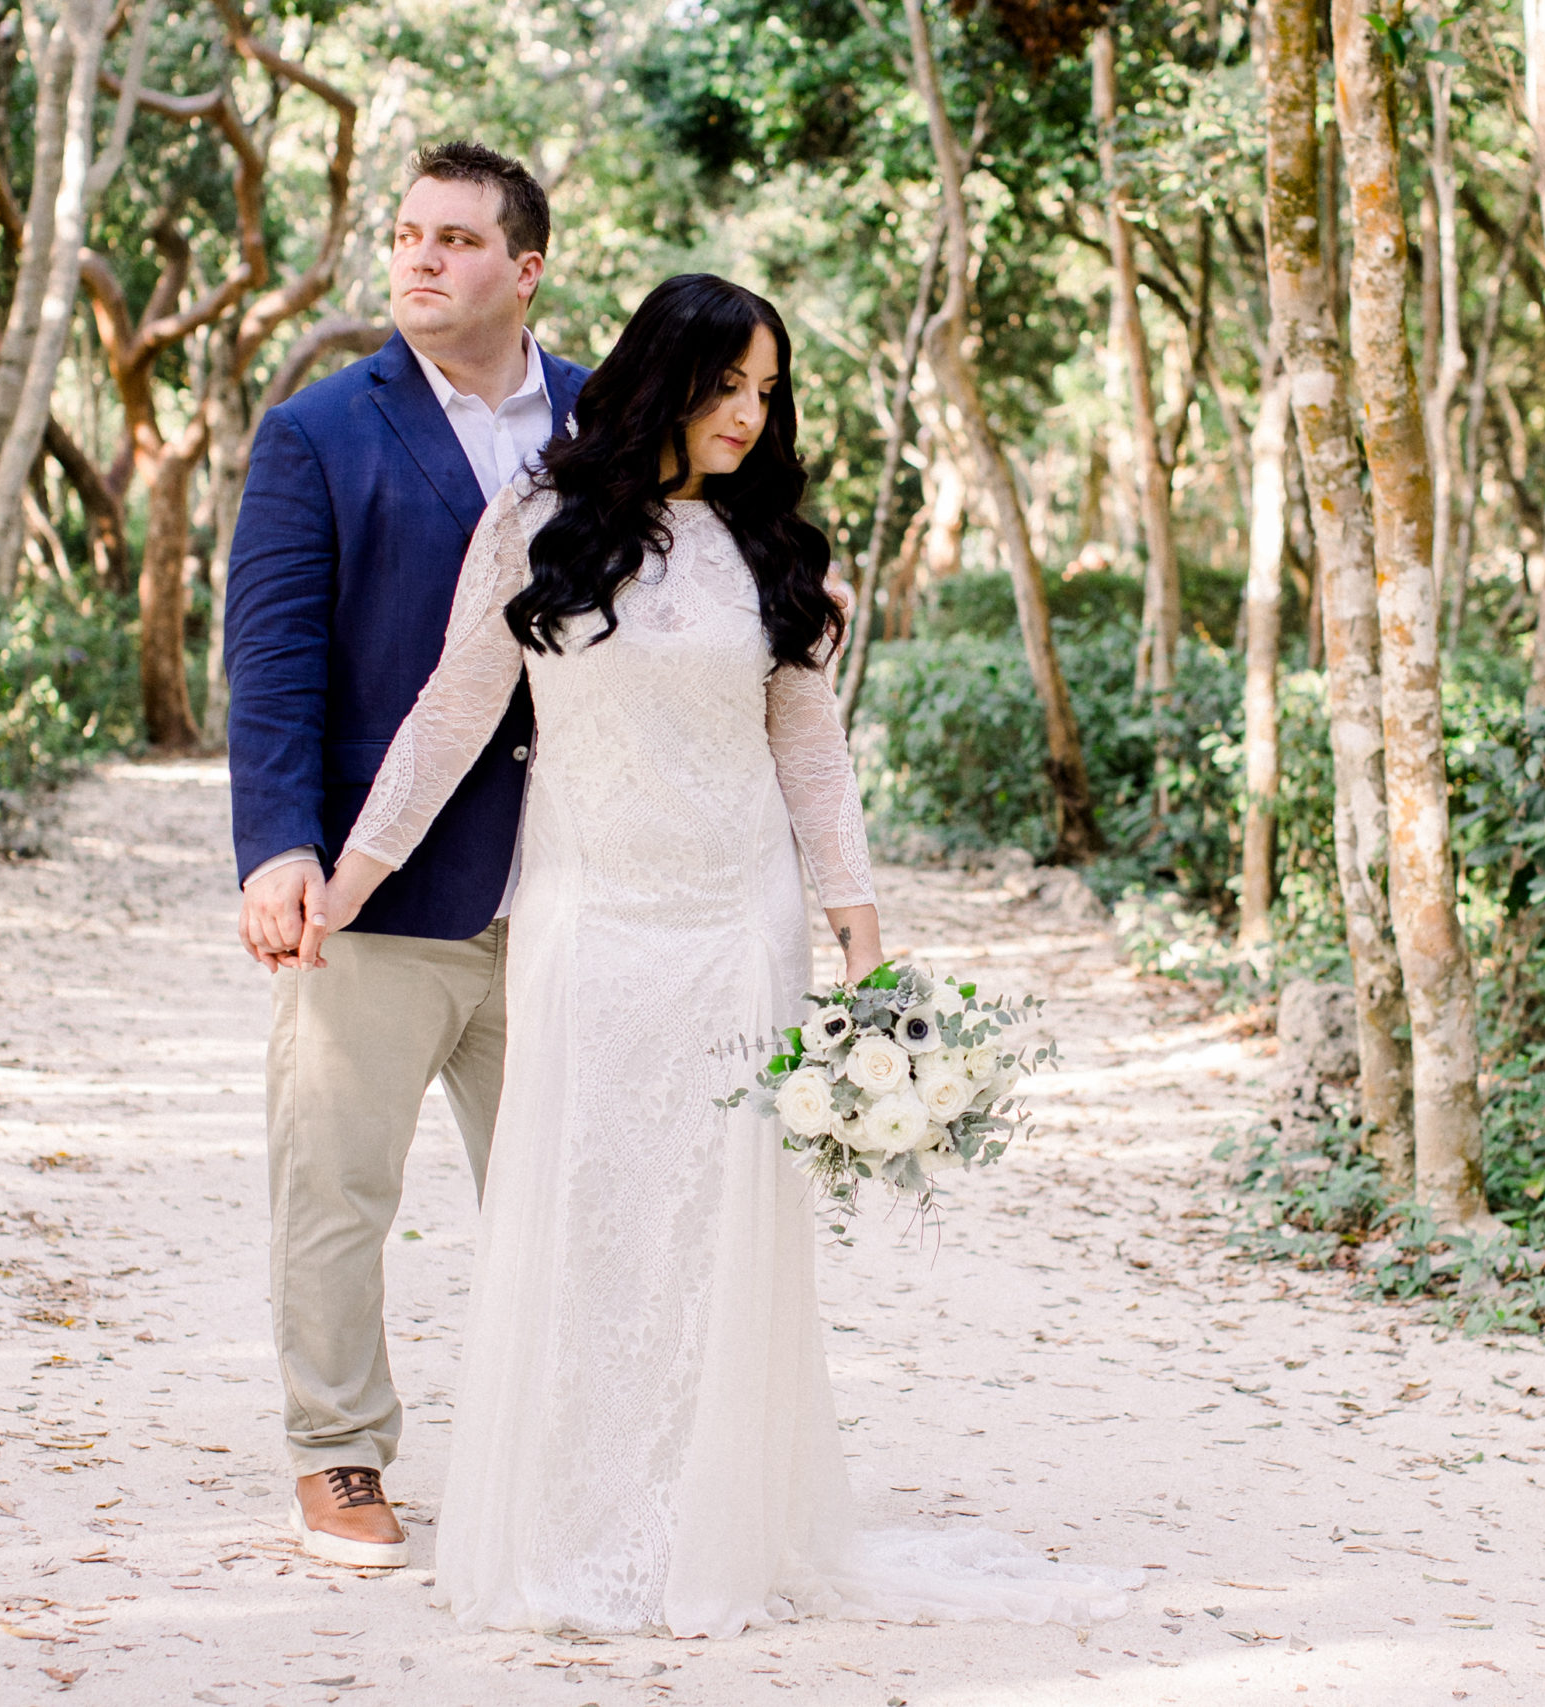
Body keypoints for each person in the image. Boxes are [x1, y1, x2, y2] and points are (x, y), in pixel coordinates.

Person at [310, 274, 1138, 1635]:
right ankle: (573, 1527)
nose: (752, 415)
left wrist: (859, 929)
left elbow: (807, 749)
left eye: (768, 391)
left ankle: (705, 1535)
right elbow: (456, 707)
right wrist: (352, 879)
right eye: (727, 386)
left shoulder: (772, 550)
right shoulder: (536, 521)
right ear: (658, 380)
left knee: (712, 1229)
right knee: (586, 1220)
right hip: (586, 918)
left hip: (731, 925)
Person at [224, 141, 589, 1570]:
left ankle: (563, 1442)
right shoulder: (319, 431)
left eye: (455, 238)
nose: (422, 259)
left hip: (566, 886)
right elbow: (273, 661)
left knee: (568, 1187)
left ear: (526, 266)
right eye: (407, 236)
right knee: (338, 1188)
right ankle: (339, 1456)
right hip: (375, 891)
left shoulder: (604, 424)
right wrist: (278, 849)